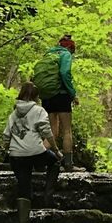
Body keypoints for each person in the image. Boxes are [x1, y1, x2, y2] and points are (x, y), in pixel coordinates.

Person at [3, 82, 62, 223]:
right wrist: (56, 150)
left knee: (24, 188)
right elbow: (46, 132)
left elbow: (6, 137)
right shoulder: (38, 111)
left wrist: (9, 151)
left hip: (16, 156)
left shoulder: (13, 114)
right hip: (36, 153)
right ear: (36, 97)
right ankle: (48, 197)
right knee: (55, 162)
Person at [32, 35, 78, 171]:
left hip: (47, 97)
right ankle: (68, 165)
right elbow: (65, 73)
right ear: (69, 47)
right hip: (61, 96)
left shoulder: (48, 55)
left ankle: (37, 160)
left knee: (52, 131)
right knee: (67, 130)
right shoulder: (65, 54)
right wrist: (72, 93)